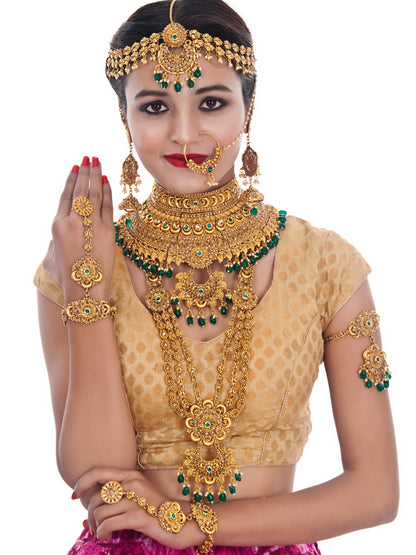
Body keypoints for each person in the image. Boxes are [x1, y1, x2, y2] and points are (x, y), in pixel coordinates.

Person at [34, 0, 399, 553]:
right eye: (155, 106)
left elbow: (376, 493)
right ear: (125, 117)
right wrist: (88, 287)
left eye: (211, 102)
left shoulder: (325, 263)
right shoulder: (75, 261)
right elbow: (96, 477)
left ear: (248, 107)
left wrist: (195, 524)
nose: (184, 134)